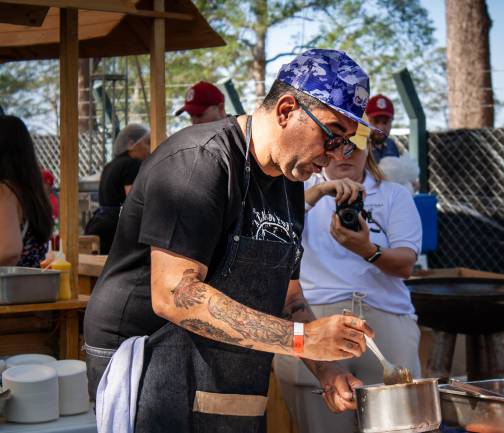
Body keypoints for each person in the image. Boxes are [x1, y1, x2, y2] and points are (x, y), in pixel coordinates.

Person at [83, 49, 377, 433]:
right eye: (332, 135)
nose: (334, 155)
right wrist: (303, 339)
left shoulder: (289, 184)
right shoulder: (200, 162)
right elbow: (174, 294)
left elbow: (289, 299)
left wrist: (327, 368)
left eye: (346, 144)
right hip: (148, 355)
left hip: (227, 366)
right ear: (287, 109)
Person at [274, 116, 422, 433]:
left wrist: (367, 249)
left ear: (368, 149)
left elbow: (406, 264)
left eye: (354, 147)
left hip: (383, 319)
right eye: (336, 147)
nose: (344, 156)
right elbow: (273, 227)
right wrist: (320, 193)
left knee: (398, 423)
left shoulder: (394, 195)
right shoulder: (296, 193)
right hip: (315, 318)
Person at [84, 124, 150, 254]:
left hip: (99, 223)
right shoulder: (133, 164)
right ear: (132, 144)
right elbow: (134, 200)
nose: (150, 149)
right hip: (115, 229)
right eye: (147, 143)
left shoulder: (111, 165)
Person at [0, 115, 53, 267]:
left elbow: (8, 251)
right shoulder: (32, 191)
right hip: (30, 287)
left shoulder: (5, 191)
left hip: (9, 288)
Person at [366, 94, 400, 162]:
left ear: (391, 123)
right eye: (376, 122)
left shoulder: (391, 145)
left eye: (385, 122)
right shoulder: (357, 148)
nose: (380, 128)